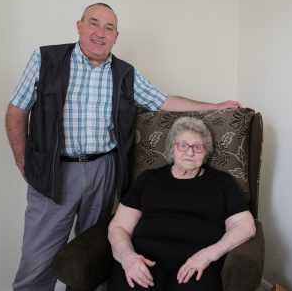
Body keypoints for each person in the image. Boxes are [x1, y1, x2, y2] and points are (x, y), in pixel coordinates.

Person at [5, 3, 242, 291]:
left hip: (103, 169)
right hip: (55, 169)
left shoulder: (125, 73)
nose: (100, 33)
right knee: (37, 260)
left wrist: (214, 107)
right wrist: (24, 162)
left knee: (90, 257)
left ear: (116, 36)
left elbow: (163, 101)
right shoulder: (45, 58)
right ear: (79, 26)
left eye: (109, 28)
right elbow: (17, 111)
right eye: (94, 23)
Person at [108, 117, 256, 291]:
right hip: (145, 258)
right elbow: (119, 227)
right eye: (183, 145)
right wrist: (128, 257)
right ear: (172, 148)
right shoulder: (148, 179)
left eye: (197, 147)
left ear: (206, 152)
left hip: (199, 262)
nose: (190, 152)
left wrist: (209, 254)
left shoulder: (221, 183)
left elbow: (245, 226)